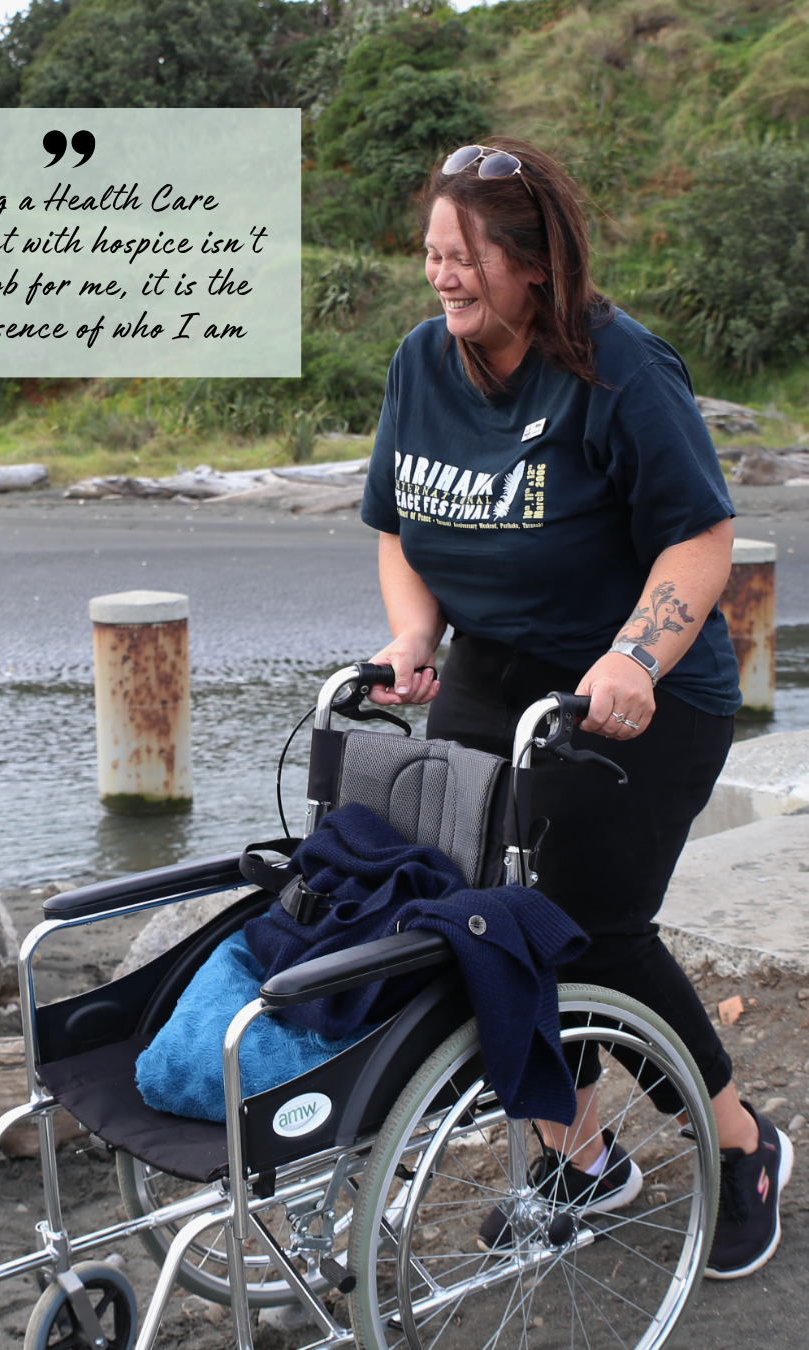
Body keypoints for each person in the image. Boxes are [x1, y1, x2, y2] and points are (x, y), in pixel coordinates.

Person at [361, 137, 792, 1279]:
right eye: (432, 254)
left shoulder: (620, 368)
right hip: (492, 671)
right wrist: (414, 639)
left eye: (465, 257)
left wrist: (635, 656)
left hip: (642, 689)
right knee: (469, 910)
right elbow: (399, 526)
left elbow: (700, 539)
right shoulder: (421, 363)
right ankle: (584, 1158)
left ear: (535, 263)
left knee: (591, 925)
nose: (442, 275)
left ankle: (742, 1146)